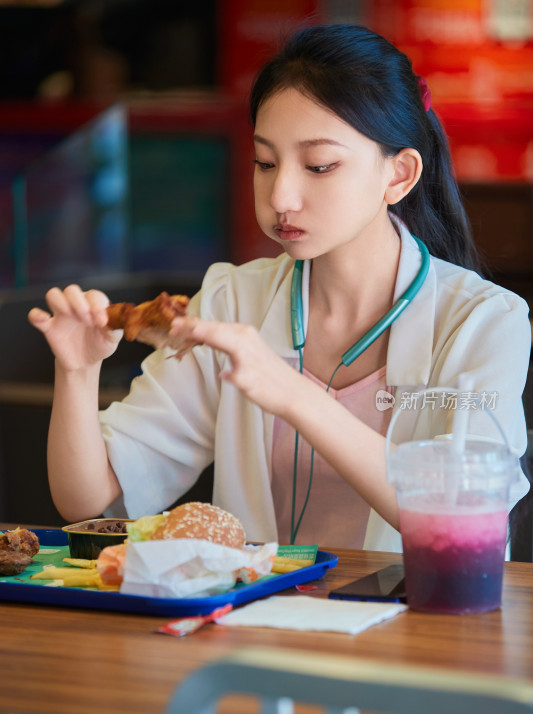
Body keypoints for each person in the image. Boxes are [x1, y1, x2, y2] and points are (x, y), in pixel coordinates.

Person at [28, 24, 530, 552]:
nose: (281, 195)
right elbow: (89, 501)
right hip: (256, 627)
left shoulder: (483, 320)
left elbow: (468, 523)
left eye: (319, 166)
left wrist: (293, 395)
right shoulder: (230, 300)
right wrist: (79, 373)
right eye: (265, 163)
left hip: (414, 629)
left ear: (399, 175)